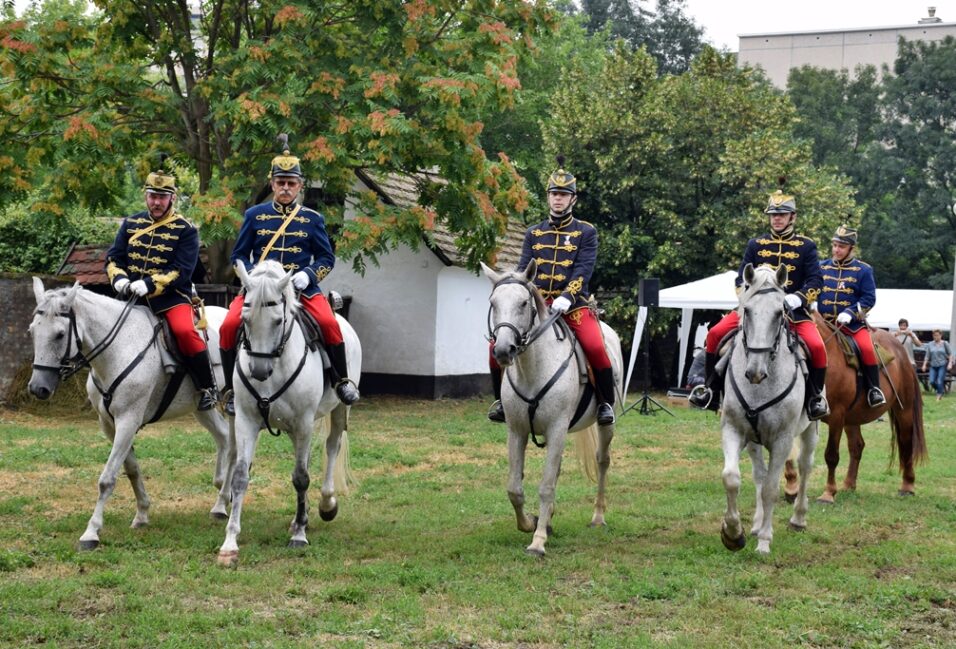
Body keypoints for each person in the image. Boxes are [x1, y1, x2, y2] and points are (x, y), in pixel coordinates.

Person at [218, 135, 359, 415]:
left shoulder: (312, 219)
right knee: (227, 326)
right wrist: (249, 276)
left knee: (328, 323)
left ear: (299, 186)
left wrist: (308, 275)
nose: (285, 188)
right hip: (260, 291)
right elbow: (238, 256)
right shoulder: (255, 215)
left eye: (290, 183)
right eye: (280, 182)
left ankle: (341, 380)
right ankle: (230, 390)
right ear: (272, 184)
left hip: (301, 290)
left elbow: (326, 258)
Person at [487, 158, 616, 426]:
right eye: (554, 194)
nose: (558, 199)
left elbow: (583, 270)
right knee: (494, 346)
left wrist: (567, 296)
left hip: (574, 305)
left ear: (573, 199)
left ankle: (605, 403)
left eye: (564, 195)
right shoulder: (534, 233)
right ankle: (500, 401)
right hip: (538, 303)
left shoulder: (586, 232)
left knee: (595, 345)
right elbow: (524, 271)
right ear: (548, 197)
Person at [688, 188, 830, 420]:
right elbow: (739, 279)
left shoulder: (806, 246)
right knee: (714, 334)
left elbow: (816, 280)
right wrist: (746, 299)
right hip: (754, 310)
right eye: (773, 214)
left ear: (792, 217)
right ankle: (710, 390)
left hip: (793, 312)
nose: (777, 218)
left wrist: (799, 298)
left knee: (816, 347)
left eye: (782, 214)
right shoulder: (756, 244)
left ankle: (815, 398)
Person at [105, 165, 218, 411]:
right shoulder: (131, 224)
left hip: (171, 297)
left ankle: (207, 387)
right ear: (145, 196)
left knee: (186, 331)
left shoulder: (185, 230)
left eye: (162, 197)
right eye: (152, 196)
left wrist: (148, 285)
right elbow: (114, 258)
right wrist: (120, 280)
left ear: (172, 198)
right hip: (131, 297)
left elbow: (182, 271)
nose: (156, 202)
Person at [817, 225, 885, 407]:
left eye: (841, 246)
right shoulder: (821, 267)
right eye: (835, 245)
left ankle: (873, 389)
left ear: (851, 249)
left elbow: (869, 298)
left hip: (851, 326)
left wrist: (851, 313)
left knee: (867, 348)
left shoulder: (863, 270)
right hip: (822, 323)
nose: (837, 250)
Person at [921, 329, 953, 401]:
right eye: (934, 335)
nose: (936, 337)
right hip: (933, 365)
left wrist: (950, 363)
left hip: (942, 365)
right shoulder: (930, 344)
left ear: (941, 335)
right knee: (932, 381)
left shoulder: (945, 343)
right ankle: (940, 390)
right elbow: (927, 356)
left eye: (937, 335)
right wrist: (924, 365)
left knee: (939, 380)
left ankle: (939, 395)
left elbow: (950, 354)